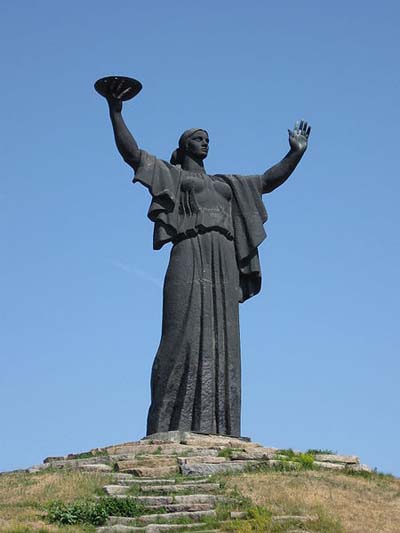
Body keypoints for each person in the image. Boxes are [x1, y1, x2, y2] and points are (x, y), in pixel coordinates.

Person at [104, 80, 311, 437]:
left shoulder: (227, 184)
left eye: (208, 139)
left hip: (223, 258)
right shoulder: (173, 175)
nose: (206, 142)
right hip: (189, 249)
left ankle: (220, 428)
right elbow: (132, 154)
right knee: (180, 334)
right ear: (184, 146)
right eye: (199, 138)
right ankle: (168, 424)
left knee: (221, 339)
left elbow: (266, 181)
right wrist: (115, 110)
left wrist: (295, 154)